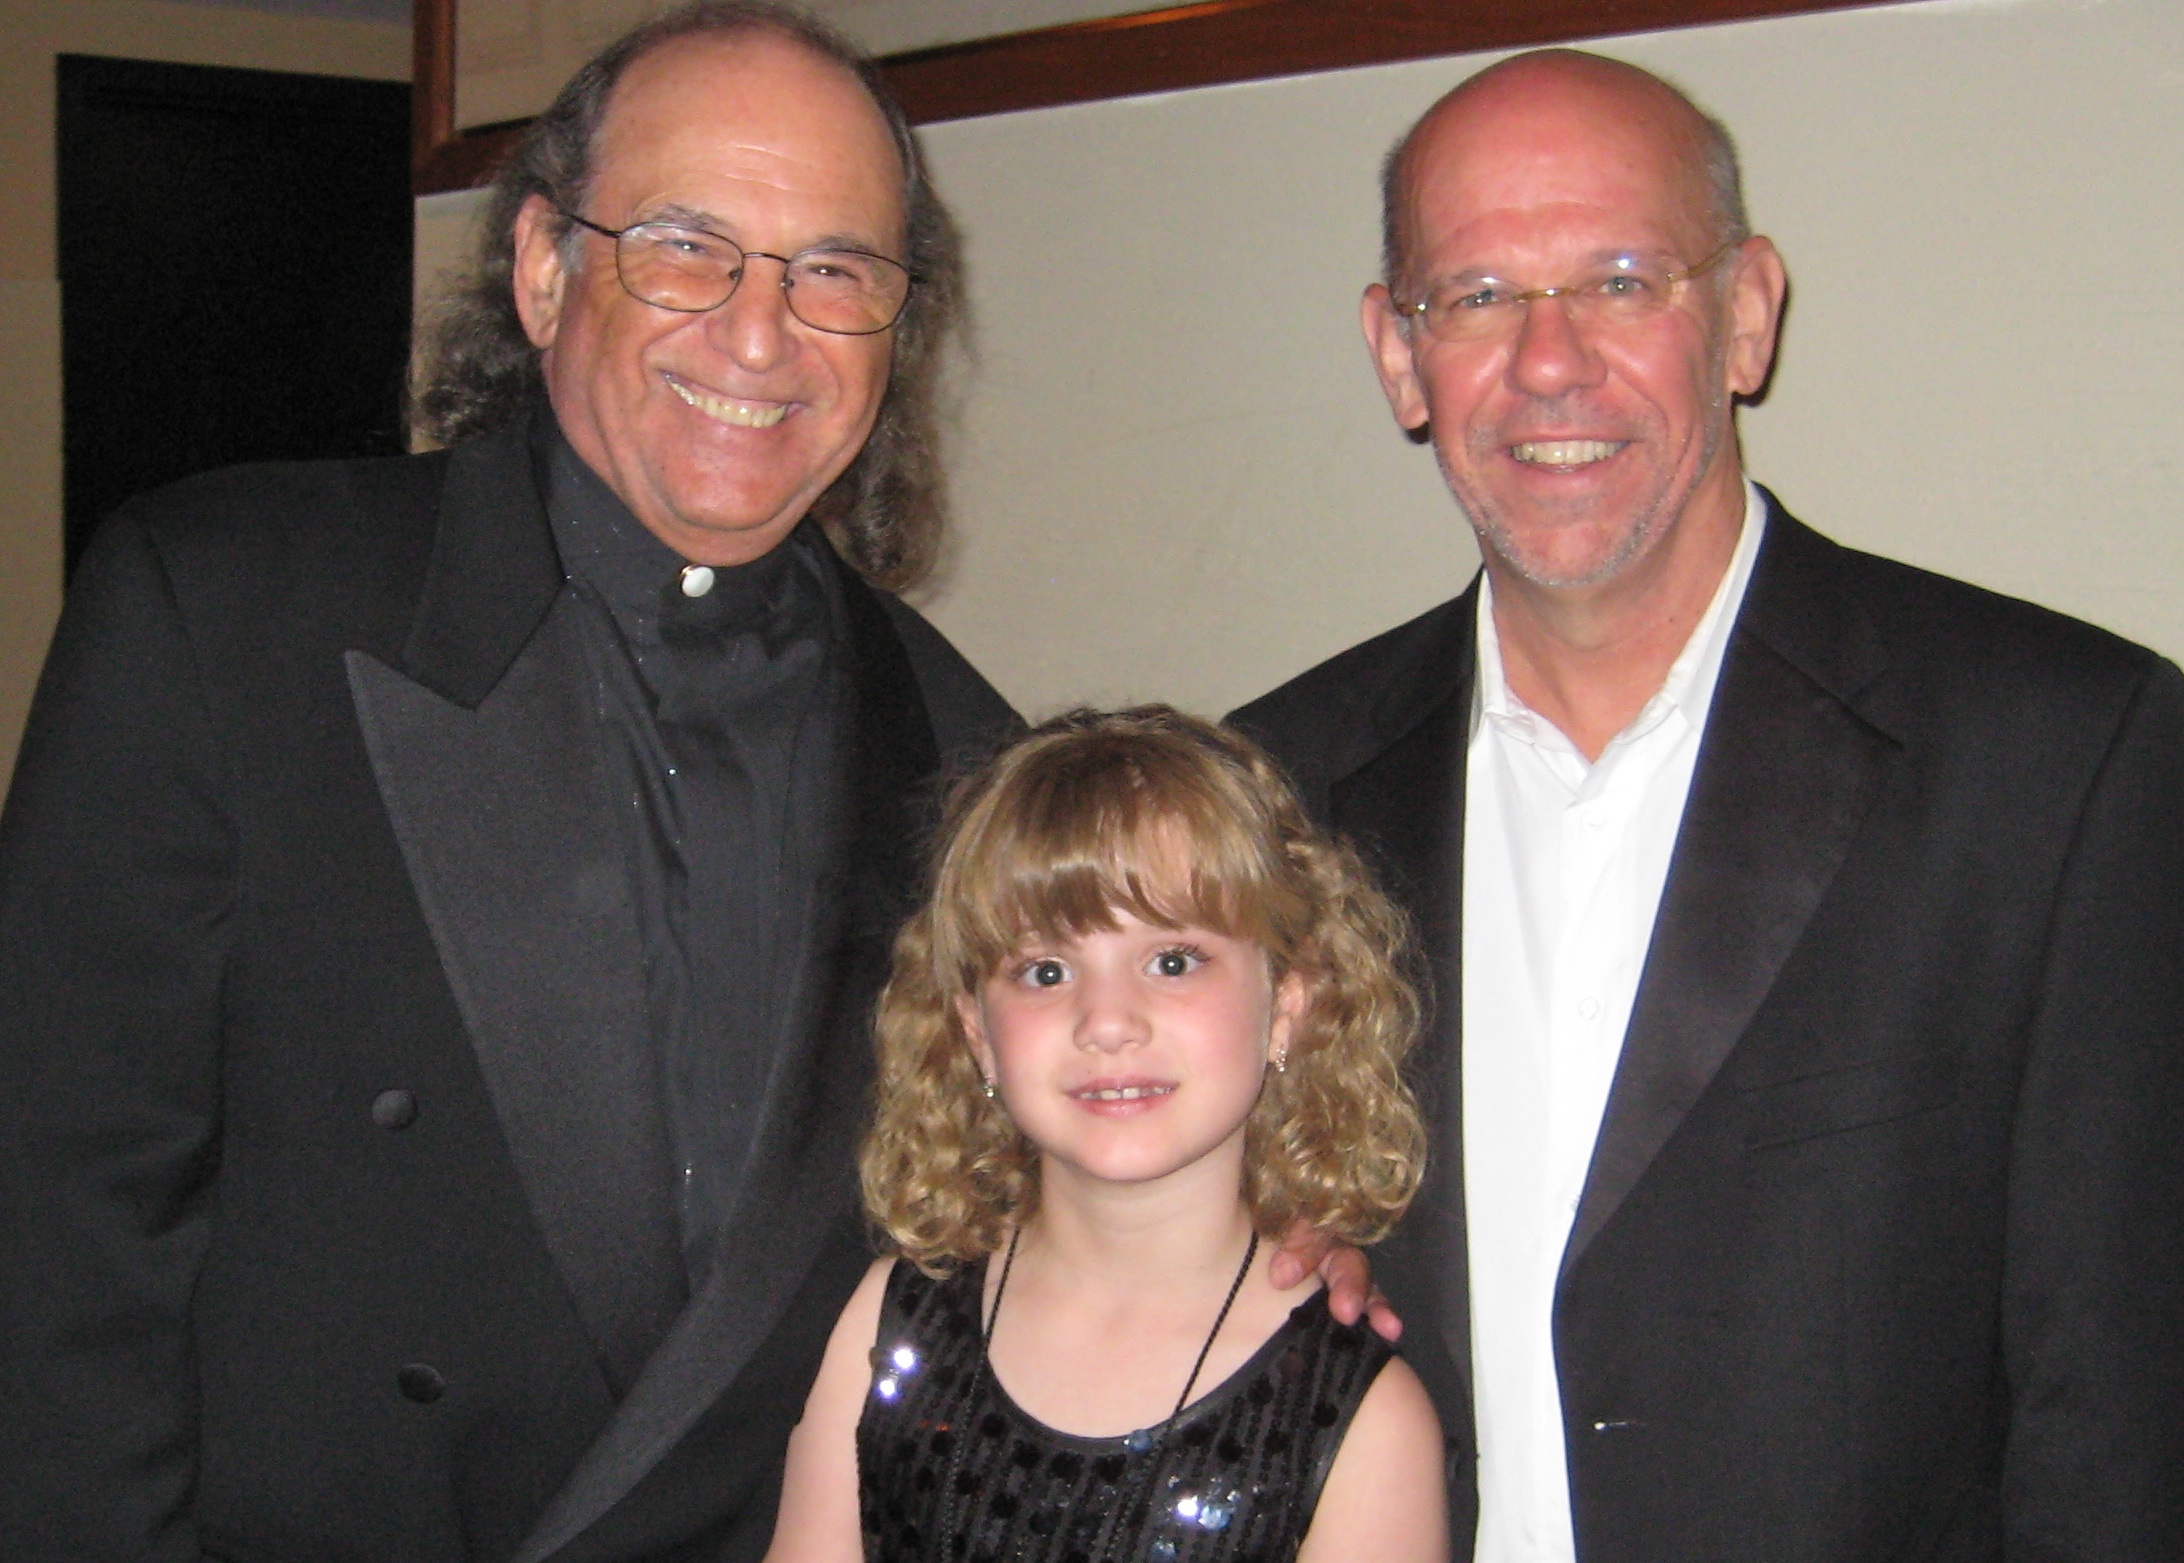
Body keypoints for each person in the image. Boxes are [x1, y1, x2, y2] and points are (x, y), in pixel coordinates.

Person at [0, 5, 1019, 1561]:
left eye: (836, 270)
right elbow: (56, 1240)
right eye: (686, 246)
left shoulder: (971, 757)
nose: (762, 334)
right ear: (546, 271)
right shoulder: (226, 610)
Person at [1230, 47, 2184, 1563]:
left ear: (1743, 313)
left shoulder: (2060, 756)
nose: (1549, 361)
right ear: (1397, 355)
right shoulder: (1263, 793)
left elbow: (2119, 1415)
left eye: (1619, 280)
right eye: (1475, 295)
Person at [765, 707, 1448, 1563]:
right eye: (1046, 970)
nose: (1107, 1020)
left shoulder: (1361, 1422)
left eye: (1172, 960)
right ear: (977, 1030)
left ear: (1289, 1004)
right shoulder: (887, 1322)